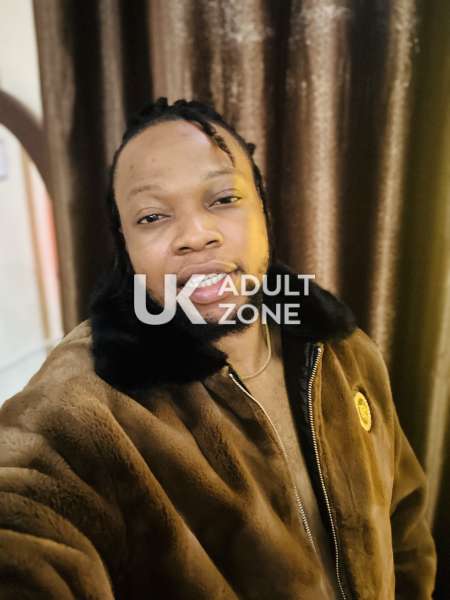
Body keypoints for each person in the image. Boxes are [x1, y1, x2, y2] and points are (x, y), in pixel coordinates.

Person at [0, 98, 436, 599]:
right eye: (152, 216)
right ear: (126, 246)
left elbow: (405, 528)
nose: (195, 235)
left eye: (224, 198)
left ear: (263, 210)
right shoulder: (81, 407)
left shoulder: (344, 352)